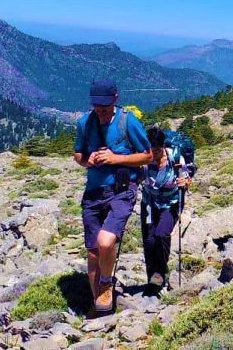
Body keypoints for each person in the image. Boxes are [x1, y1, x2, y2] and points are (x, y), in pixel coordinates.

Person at [73, 79, 153, 312]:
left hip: (122, 190)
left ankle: (106, 284)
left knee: (105, 241)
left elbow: (147, 156)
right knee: (92, 252)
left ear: (115, 99)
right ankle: (98, 305)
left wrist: (116, 159)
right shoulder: (84, 123)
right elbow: (78, 154)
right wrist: (88, 161)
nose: (101, 111)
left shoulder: (128, 122)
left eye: (105, 107)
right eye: (97, 106)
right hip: (94, 192)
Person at [140, 126, 192, 293]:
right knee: (149, 240)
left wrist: (185, 183)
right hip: (149, 204)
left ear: (163, 147)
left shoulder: (175, 159)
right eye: (150, 149)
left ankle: (159, 273)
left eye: (156, 150)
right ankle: (152, 278)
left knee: (161, 234)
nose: (152, 154)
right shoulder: (143, 159)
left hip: (171, 203)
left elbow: (186, 179)